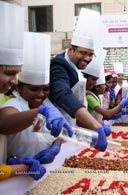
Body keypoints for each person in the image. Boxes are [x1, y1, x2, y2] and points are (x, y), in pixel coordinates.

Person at [1, 32, 73, 164]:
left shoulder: (47, 104)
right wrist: (39, 112)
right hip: (14, 173)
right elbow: (4, 123)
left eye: (45, 89)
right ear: (19, 88)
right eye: (33, 89)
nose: (40, 94)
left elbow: (54, 134)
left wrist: (55, 147)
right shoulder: (15, 104)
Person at [0, 2, 47, 181]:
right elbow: (5, 123)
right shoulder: (12, 104)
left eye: (17, 74)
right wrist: (22, 168)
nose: (13, 80)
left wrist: (11, 160)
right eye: (9, 73)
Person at [48, 9, 107, 152]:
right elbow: (62, 93)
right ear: (71, 49)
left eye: (91, 55)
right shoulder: (59, 64)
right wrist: (95, 125)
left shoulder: (74, 67)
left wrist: (89, 124)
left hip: (70, 130)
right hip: (54, 130)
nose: (87, 58)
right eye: (83, 53)